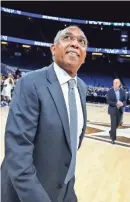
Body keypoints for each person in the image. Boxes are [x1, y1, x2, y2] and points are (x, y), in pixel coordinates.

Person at [1, 25, 88, 202]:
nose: (75, 43)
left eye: (81, 41)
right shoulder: (31, 83)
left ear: (84, 56)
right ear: (53, 49)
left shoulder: (81, 88)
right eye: (67, 38)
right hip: (25, 194)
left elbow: (68, 149)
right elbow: (18, 154)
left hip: (63, 192)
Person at [106, 79, 126, 144]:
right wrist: (116, 104)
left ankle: (111, 131)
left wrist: (123, 104)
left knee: (118, 123)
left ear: (119, 84)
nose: (115, 84)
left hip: (120, 110)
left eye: (116, 83)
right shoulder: (109, 91)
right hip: (113, 109)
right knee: (113, 124)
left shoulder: (123, 91)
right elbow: (108, 101)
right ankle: (113, 139)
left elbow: (125, 100)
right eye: (114, 82)